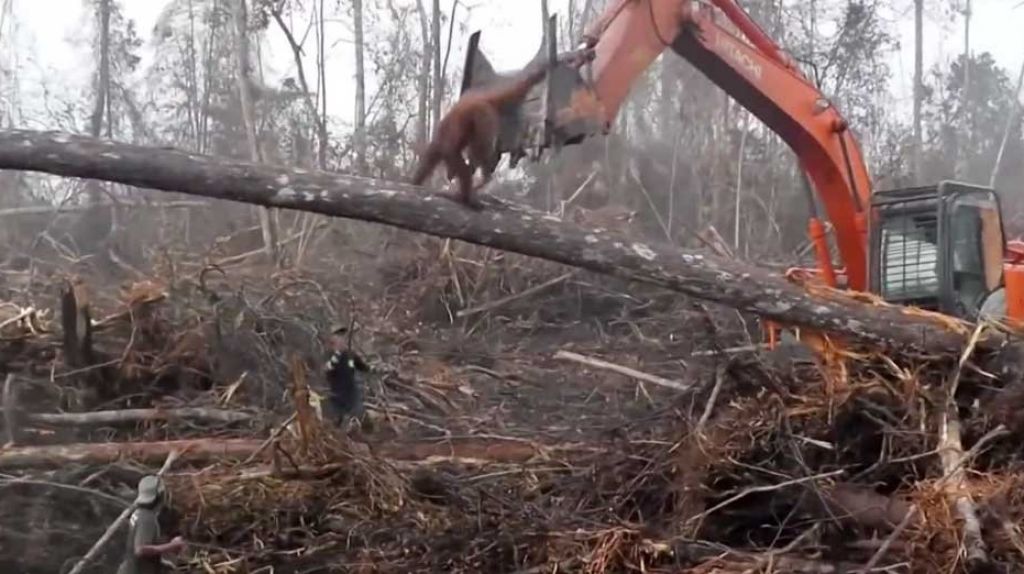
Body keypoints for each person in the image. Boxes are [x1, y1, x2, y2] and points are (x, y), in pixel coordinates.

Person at [116, 475, 186, 574]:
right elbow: (140, 550)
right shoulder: (147, 518)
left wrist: (161, 562)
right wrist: (172, 546)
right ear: (161, 495)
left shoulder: (139, 512)